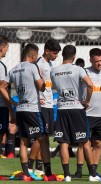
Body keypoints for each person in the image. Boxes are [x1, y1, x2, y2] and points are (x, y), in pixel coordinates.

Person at [0, 43, 59, 181]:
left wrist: (13, 102)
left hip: (20, 109)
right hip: (33, 109)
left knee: (23, 142)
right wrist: (47, 83)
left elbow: (2, 87)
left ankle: (26, 174)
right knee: (43, 139)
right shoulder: (33, 67)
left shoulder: (14, 69)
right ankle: (48, 174)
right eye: (36, 55)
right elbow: (41, 87)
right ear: (33, 55)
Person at [50, 45, 98, 182]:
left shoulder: (54, 71)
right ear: (74, 56)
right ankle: (92, 175)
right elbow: (90, 85)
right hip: (76, 107)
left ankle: (66, 176)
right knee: (85, 141)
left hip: (61, 109)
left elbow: (55, 87)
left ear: (62, 55)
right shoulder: (78, 69)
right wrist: (87, 100)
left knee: (63, 142)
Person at [73, 48, 101, 181]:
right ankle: (79, 170)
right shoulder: (85, 72)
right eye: (96, 61)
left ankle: (93, 170)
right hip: (87, 114)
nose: (99, 63)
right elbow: (75, 88)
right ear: (90, 60)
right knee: (84, 143)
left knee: (98, 143)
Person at [27, 39, 61, 178]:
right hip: (42, 105)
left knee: (45, 137)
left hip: (49, 104)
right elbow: (34, 82)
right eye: (54, 53)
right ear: (47, 51)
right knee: (40, 137)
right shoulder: (39, 64)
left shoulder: (50, 64)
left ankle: (39, 167)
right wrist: (38, 97)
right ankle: (29, 167)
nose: (56, 55)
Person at [0, 35, 16, 160]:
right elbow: (2, 87)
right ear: (1, 48)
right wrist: (11, 106)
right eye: (7, 48)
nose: (8, 50)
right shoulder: (1, 66)